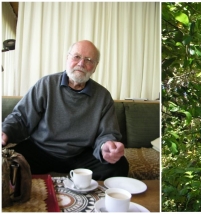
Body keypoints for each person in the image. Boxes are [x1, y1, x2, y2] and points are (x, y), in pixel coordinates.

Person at [2, 40, 129, 180]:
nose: (81, 63)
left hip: (80, 154)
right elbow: (21, 118)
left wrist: (106, 146)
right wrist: (5, 131)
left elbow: (108, 133)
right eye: (76, 57)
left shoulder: (103, 96)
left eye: (88, 60)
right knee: (7, 163)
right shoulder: (46, 84)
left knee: (119, 166)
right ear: (67, 58)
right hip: (41, 150)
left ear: (95, 67)